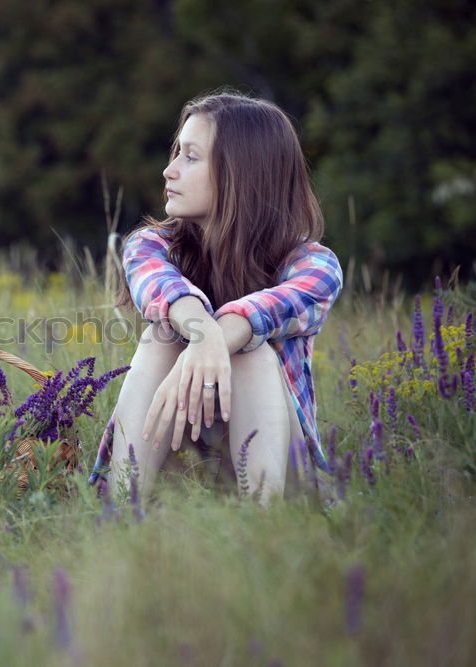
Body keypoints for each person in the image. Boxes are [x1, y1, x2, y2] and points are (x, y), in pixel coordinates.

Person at [88, 91, 343, 508]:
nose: (169, 171)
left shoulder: (313, 265)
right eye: (177, 154)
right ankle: (120, 510)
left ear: (242, 173)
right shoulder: (150, 245)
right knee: (163, 338)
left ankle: (263, 525)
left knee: (250, 349)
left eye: (190, 157)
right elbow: (161, 290)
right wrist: (202, 335)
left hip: (282, 470)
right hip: (179, 460)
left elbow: (265, 312)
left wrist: (217, 340)